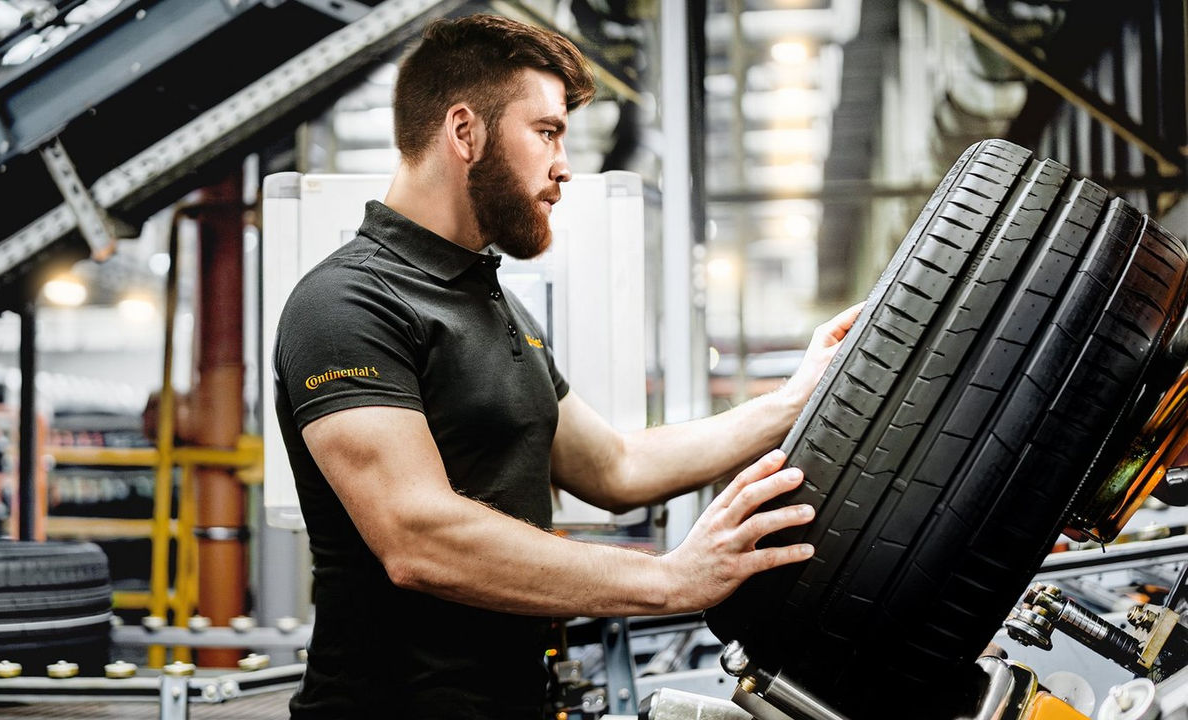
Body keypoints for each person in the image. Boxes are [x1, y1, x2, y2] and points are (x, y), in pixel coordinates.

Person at [272, 13, 860, 719]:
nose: (564, 164)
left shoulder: (496, 306)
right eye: (546, 131)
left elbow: (615, 468)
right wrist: (671, 580)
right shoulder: (347, 303)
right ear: (466, 132)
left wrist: (794, 400)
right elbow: (417, 536)